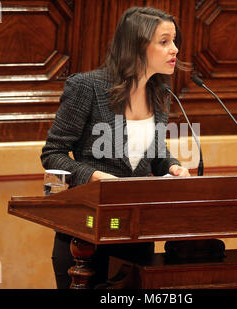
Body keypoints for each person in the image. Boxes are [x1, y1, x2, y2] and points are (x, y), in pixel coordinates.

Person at [40, 6, 191, 289]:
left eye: (174, 41)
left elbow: (155, 154)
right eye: (164, 41)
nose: (175, 50)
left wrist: (172, 166)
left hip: (136, 235)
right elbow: (53, 155)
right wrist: (96, 178)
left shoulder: (160, 94)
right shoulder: (87, 87)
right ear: (136, 46)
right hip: (85, 239)